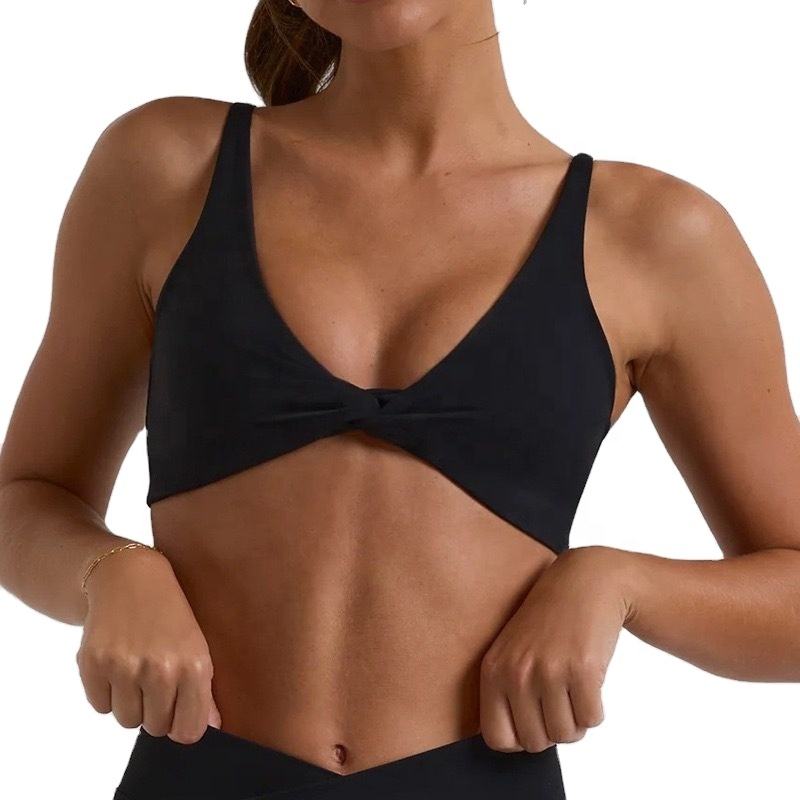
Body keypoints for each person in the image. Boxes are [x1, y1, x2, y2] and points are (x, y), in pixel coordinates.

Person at [1, 1, 799, 798]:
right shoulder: (167, 169)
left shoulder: (654, 238)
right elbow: (25, 497)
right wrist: (110, 571)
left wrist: (618, 583)